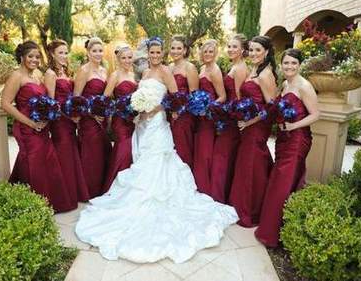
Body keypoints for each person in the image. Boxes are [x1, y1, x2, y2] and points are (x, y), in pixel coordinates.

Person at [75, 37, 238, 264]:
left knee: (157, 160)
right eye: (152, 53)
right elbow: (137, 97)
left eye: (158, 52)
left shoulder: (166, 72)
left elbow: (176, 98)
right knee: (139, 159)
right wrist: (140, 108)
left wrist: (155, 107)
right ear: (148, 54)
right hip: (141, 124)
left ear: (162, 54)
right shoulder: (143, 75)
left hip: (158, 123)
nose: (155, 56)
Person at [255, 48, 319, 247]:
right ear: (281, 65)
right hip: (283, 139)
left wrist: (293, 125)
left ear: (300, 65)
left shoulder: (304, 86)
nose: (289, 66)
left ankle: (273, 235)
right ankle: (276, 228)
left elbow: (316, 114)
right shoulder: (284, 83)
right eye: (286, 63)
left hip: (298, 139)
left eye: (293, 63)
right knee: (278, 181)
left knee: (283, 183)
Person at [1, 40, 74, 212]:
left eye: (37, 57)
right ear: (22, 57)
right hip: (27, 128)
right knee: (33, 163)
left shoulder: (37, 75)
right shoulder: (16, 76)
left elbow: (47, 100)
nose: (34, 60)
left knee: (45, 161)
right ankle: (32, 205)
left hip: (41, 126)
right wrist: (30, 123)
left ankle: (47, 202)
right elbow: (5, 104)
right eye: (30, 56)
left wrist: (47, 116)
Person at [229, 35, 277, 227]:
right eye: (252, 50)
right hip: (248, 126)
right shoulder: (254, 70)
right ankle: (241, 207)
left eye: (258, 50)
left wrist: (249, 122)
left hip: (257, 128)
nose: (254, 53)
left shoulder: (266, 75)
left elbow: (271, 108)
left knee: (252, 167)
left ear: (266, 52)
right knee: (247, 165)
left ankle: (252, 212)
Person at [44, 39, 89, 206]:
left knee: (71, 153)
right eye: (60, 53)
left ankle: (73, 193)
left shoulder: (66, 72)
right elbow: (51, 103)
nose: (64, 56)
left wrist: (76, 113)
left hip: (70, 120)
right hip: (60, 122)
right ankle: (62, 198)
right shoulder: (50, 74)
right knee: (63, 154)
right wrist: (69, 116)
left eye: (65, 52)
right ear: (52, 54)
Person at [210, 34, 249, 203]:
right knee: (223, 155)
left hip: (232, 119)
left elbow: (240, 98)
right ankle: (220, 194)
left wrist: (230, 116)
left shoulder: (240, 68)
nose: (231, 49)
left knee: (222, 155)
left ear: (242, 50)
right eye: (229, 46)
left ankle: (218, 197)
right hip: (227, 117)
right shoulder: (235, 65)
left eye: (235, 47)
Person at [73, 37, 112, 198]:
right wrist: (91, 113)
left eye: (100, 51)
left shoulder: (104, 71)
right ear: (88, 53)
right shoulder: (84, 70)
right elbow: (76, 98)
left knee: (102, 152)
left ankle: (101, 189)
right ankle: (89, 191)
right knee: (91, 153)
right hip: (88, 119)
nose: (97, 54)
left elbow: (107, 96)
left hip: (101, 119)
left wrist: (105, 113)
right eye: (94, 51)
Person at [102, 44, 138, 192]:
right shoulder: (115, 75)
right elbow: (105, 98)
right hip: (120, 120)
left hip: (134, 120)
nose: (127, 60)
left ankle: (129, 188)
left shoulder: (134, 75)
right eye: (124, 58)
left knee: (133, 151)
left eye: (130, 57)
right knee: (123, 149)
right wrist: (119, 107)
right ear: (118, 60)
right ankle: (115, 187)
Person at [192, 39, 226, 195]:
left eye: (210, 51)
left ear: (215, 53)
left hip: (209, 117)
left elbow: (222, 96)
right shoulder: (202, 68)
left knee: (205, 152)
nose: (207, 54)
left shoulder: (215, 70)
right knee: (200, 149)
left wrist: (207, 107)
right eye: (205, 51)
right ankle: (198, 183)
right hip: (200, 115)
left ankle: (205, 188)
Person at [168, 35, 198, 168]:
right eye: (173, 48)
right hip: (169, 114)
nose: (175, 51)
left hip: (185, 116)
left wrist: (179, 111)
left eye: (179, 48)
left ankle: (185, 179)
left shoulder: (190, 68)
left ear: (185, 50)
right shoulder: (168, 68)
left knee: (182, 147)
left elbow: (194, 95)